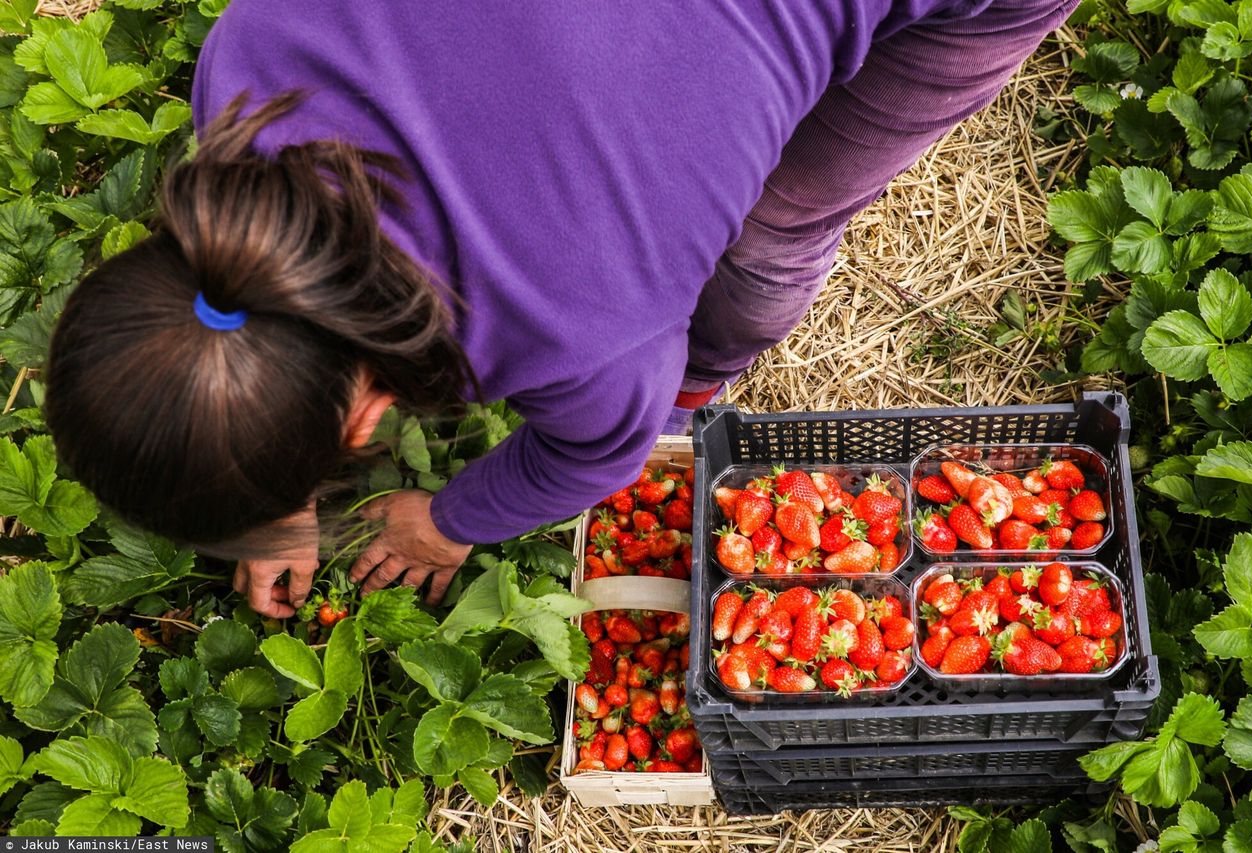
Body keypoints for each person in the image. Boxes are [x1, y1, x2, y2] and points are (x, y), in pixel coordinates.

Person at [45, 0, 1077, 617]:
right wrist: (272, 514)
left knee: (775, 230)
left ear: (365, 420)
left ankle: (702, 377)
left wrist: (448, 525)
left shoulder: (582, 332)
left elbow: (592, 457)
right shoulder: (243, 61)